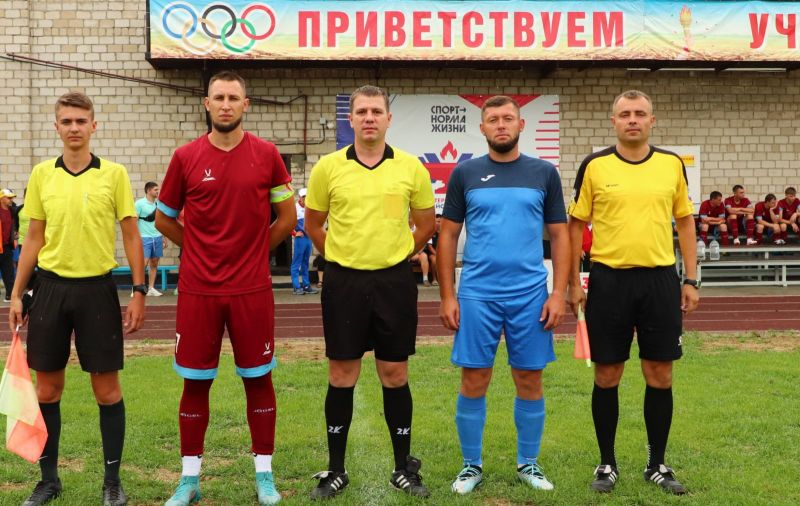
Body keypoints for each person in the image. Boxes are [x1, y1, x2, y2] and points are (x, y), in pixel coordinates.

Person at [155, 71, 296, 506]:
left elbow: (287, 219)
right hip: (199, 290)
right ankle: (189, 480)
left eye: (234, 97)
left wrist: (254, 253)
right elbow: (163, 218)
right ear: (207, 103)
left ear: (246, 104)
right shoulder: (185, 157)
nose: (226, 104)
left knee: (259, 379)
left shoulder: (267, 155)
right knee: (195, 383)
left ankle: (264, 476)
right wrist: (197, 249)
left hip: (251, 290)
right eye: (219, 97)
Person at [8, 91, 146, 506]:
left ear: (93, 126)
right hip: (50, 290)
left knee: (107, 390)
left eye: (80, 121)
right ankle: (48, 480)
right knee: (47, 390)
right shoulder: (42, 175)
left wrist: (139, 290)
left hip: (97, 291)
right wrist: (16, 293)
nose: (74, 128)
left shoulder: (114, 174)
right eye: (66, 121)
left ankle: (112, 483)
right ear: (57, 127)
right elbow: (34, 237)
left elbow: (131, 234)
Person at [304, 85, 435, 500]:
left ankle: (402, 467)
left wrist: (398, 254)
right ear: (351, 119)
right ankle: (336, 469)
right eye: (361, 111)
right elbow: (313, 224)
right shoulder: (328, 167)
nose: (369, 118)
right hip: (344, 282)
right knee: (341, 374)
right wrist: (340, 256)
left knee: (394, 373)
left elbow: (426, 224)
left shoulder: (411, 167)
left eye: (376, 111)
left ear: (388, 118)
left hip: (394, 283)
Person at [567, 90, 699, 496]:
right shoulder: (594, 165)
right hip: (609, 281)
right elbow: (575, 225)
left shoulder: (671, 164)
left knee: (660, 374)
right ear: (614, 121)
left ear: (652, 120)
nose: (633, 120)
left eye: (640, 113)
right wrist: (573, 282)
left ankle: (656, 464)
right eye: (625, 114)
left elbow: (685, 221)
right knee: (607, 375)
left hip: (659, 281)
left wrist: (691, 279)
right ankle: (606, 463)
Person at [437, 95, 570, 495]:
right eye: (493, 119)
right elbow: (448, 235)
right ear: (482, 128)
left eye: (508, 118)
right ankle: (470, 466)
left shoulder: (544, 173)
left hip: (529, 294)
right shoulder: (465, 173)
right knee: (474, 377)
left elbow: (560, 234)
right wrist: (448, 295)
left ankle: (528, 463)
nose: (501, 125)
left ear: (520, 125)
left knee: (529, 377)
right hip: (478, 293)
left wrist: (558, 292)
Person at [135, 181, 167, 296]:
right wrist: (135, 238)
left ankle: (151, 288)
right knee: (143, 263)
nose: (158, 191)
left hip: (157, 237)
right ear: (148, 190)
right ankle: (136, 288)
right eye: (155, 190)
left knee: (154, 263)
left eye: (158, 189)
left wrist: (164, 237)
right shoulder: (139, 204)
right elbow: (134, 222)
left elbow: (161, 222)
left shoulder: (158, 204)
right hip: (144, 238)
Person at [290, 188, 318, 295]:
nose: (306, 199)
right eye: (304, 197)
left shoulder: (309, 208)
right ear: (300, 198)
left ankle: (306, 286)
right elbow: (287, 223)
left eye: (307, 197)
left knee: (305, 263)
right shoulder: (295, 208)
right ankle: (296, 287)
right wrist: (294, 233)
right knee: (296, 263)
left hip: (308, 238)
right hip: (300, 238)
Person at [0, 188, 17, 301]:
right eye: (9, 197)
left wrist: (16, 233)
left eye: (12, 198)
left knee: (9, 272)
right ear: (1, 199)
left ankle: (9, 295)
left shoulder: (13, 211)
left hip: (6, 247)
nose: (11, 200)